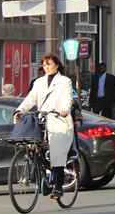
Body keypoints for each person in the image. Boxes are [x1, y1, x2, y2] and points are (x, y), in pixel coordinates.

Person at [14, 54, 74, 199]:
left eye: (50, 64)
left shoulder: (64, 81)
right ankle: (44, 178)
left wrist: (64, 110)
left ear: (57, 65)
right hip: (42, 120)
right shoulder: (39, 82)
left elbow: (67, 98)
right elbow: (30, 98)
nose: (47, 68)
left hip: (58, 120)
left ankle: (58, 186)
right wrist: (19, 110)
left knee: (56, 154)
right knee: (34, 146)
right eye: (45, 65)